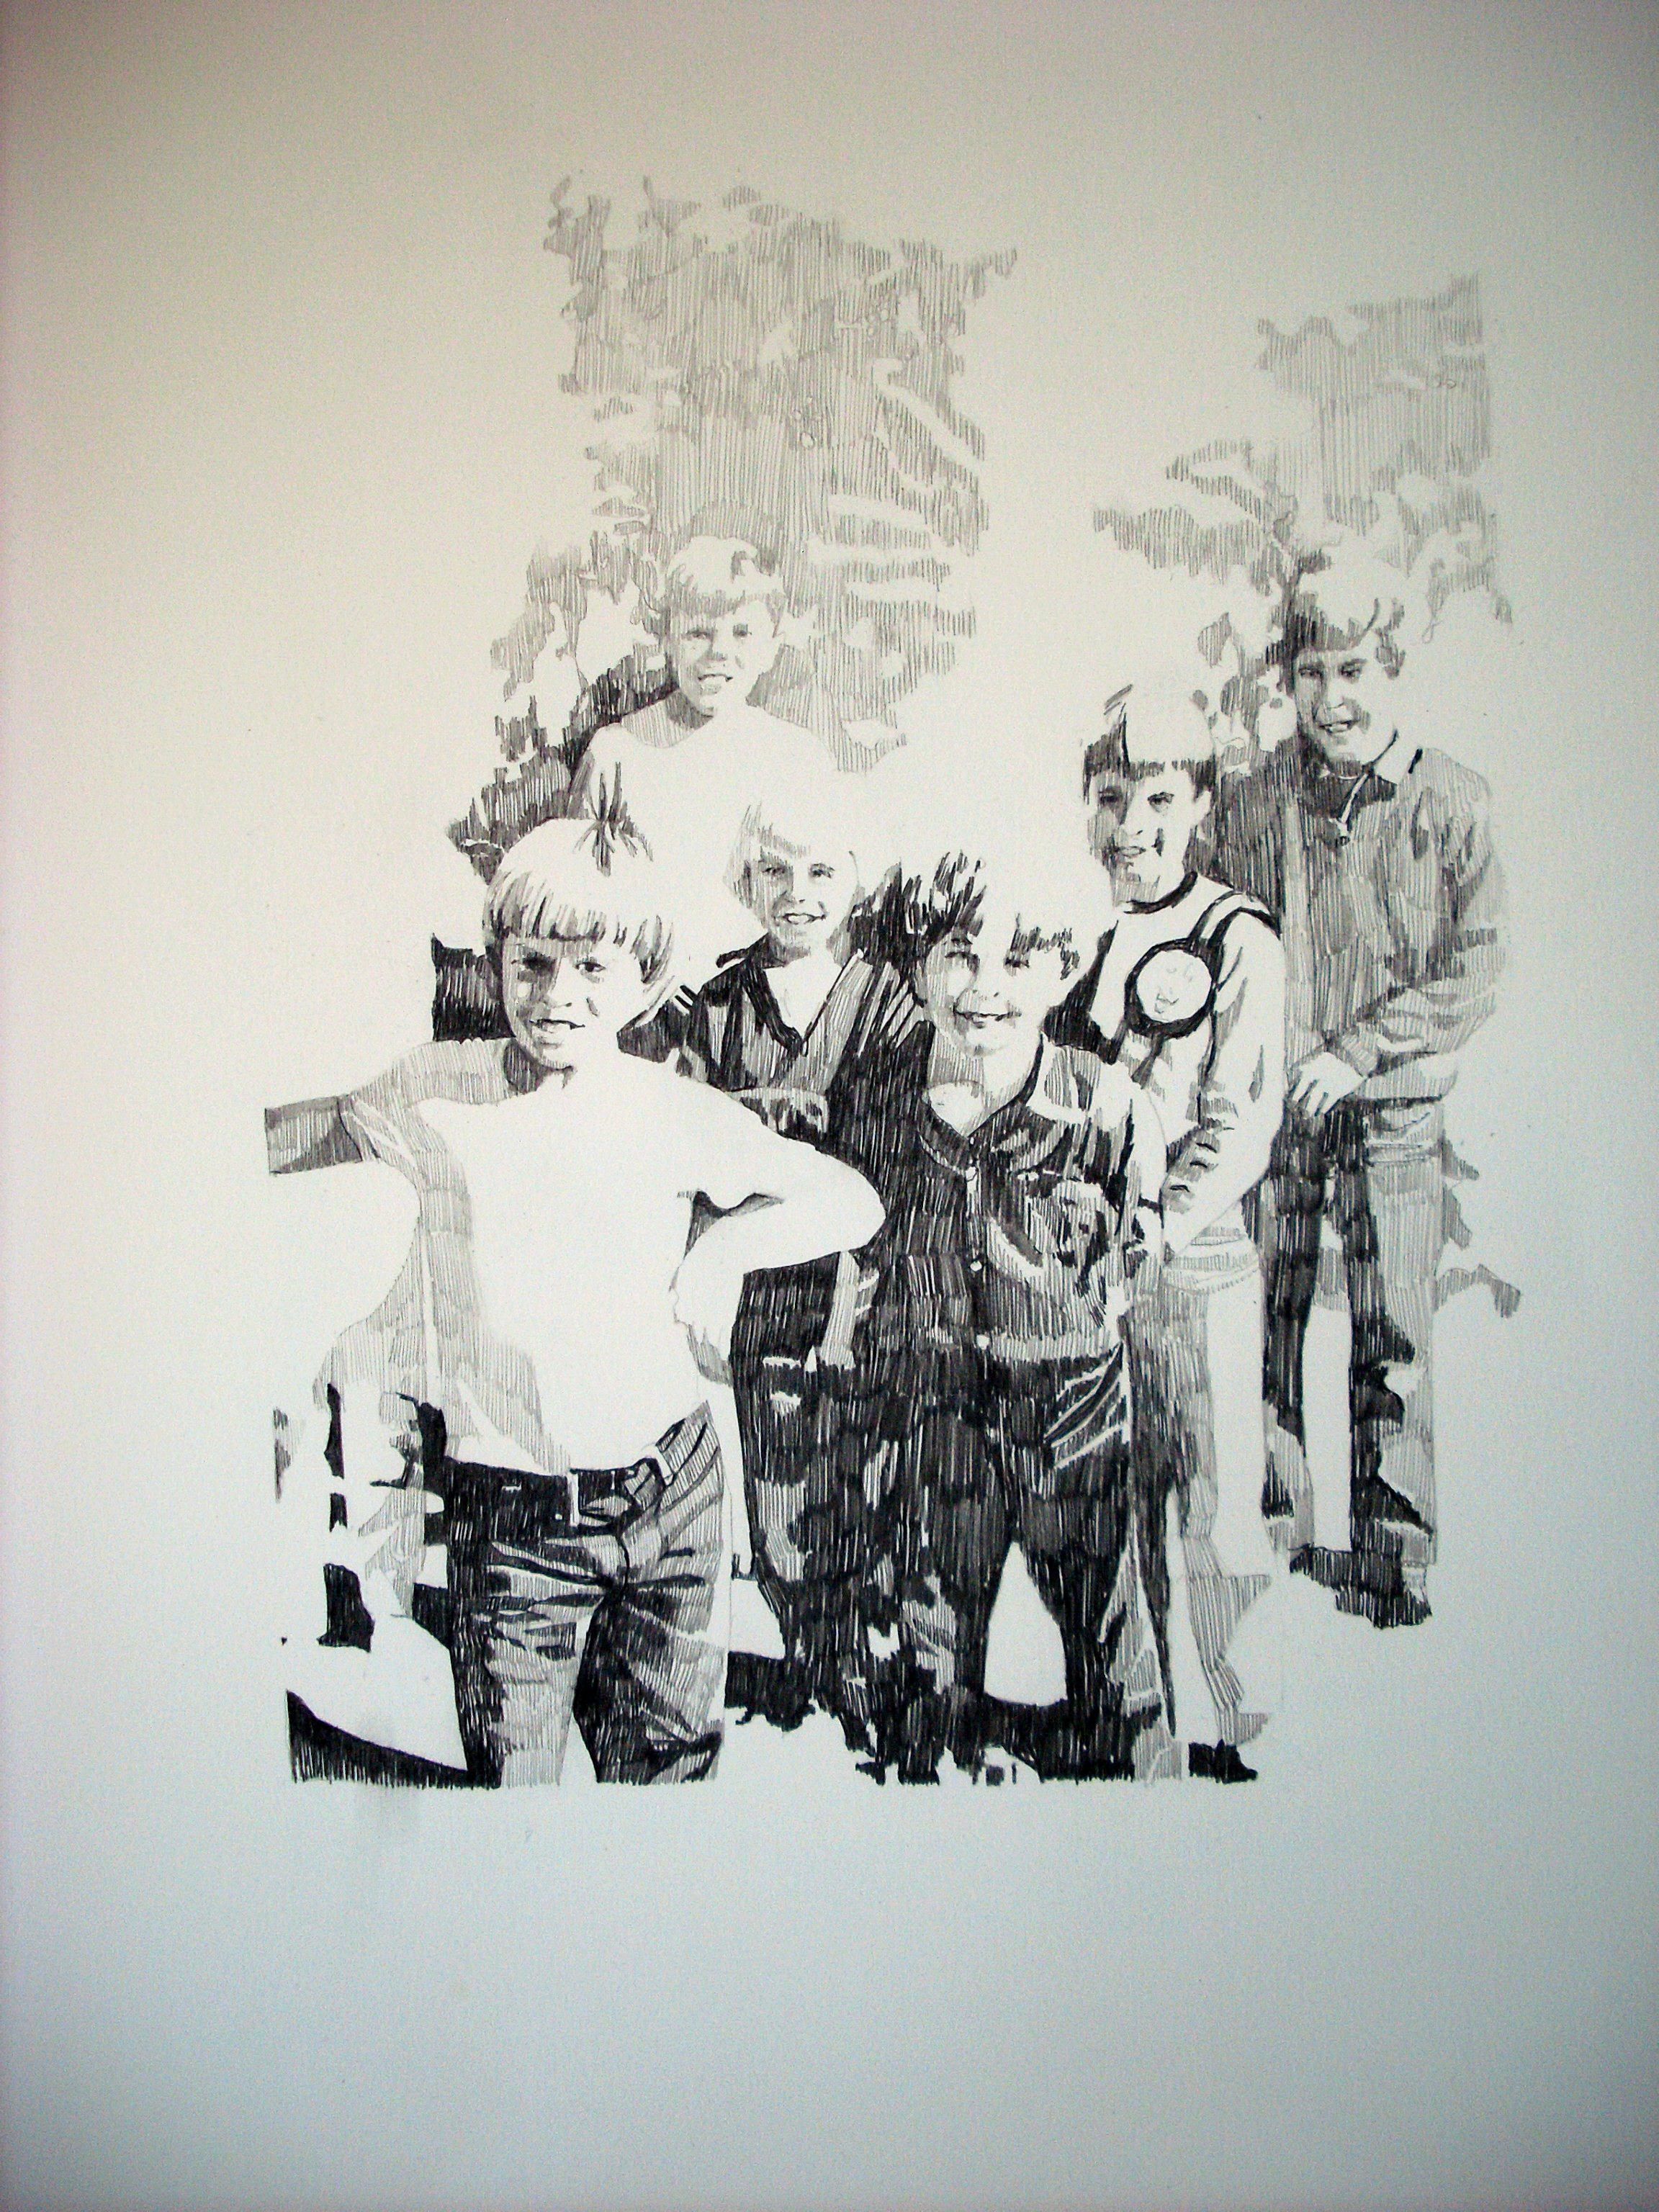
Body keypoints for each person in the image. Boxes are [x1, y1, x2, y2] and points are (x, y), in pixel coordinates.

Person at [265, 813, 884, 1784]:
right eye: (533, 963)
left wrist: (727, 1249)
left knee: (668, 1774)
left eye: (594, 967)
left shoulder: (672, 1110)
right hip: (514, 1527)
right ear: (497, 961)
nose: (558, 996)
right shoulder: (433, 1092)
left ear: (645, 977)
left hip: (671, 1503)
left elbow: (853, 1201)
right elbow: (289, 1140)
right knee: (515, 1786)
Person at [1214, 541, 1507, 1627]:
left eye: (1353, 670)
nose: (1332, 697)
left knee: (1393, 1336)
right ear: (1285, 681)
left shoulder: (1452, 798)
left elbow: (1477, 966)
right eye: (1311, 673)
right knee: (1267, 1323)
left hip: (1392, 1115)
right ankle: (1274, 1536)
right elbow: (1219, 938)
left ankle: (1395, 1556)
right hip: (1280, 1114)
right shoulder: (1254, 801)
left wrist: (1363, 1051)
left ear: (1394, 667)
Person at [860, 839, 1166, 1780]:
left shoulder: (1102, 1102)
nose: (986, 986)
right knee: (932, 1608)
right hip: (937, 1398)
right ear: (919, 966)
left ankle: (1140, 1777)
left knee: (1102, 1608)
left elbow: (1142, 1225)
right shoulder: (886, 1095)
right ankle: (929, 1779)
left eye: (1019, 959)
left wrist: (1099, 1293)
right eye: (960, 954)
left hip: (1070, 1402)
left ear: (1065, 970)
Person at [1049, 680, 1285, 1778]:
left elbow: (1241, 1125)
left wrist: (1159, 1224)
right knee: (1117, 1508)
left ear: (1199, 804)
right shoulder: (1086, 939)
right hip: (1095, 1273)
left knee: (1213, 1509)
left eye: (1156, 798)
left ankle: (1240, 1731)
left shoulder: (1238, 937)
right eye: (1111, 798)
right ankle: (1142, 1729)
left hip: (1194, 1263)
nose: (1131, 825)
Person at [680, 768, 919, 1736]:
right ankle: (815, 1667)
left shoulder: (890, 1006)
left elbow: (888, 1174)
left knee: (868, 1498)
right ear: (746, 877)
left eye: (821, 871)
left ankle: (874, 1678)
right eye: (775, 870)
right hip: (764, 1310)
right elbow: (693, 1161)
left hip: (868, 1300)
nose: (798, 893)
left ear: (857, 878)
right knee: (781, 1510)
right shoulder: (718, 1007)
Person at [569, 537, 834, 1006]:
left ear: (772, 647)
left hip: (762, 999)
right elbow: (577, 892)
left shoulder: (799, 757)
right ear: (666, 638)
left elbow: (827, 891)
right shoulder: (616, 753)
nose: (718, 652)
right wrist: (641, 973)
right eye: (697, 633)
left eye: (742, 633)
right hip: (639, 996)